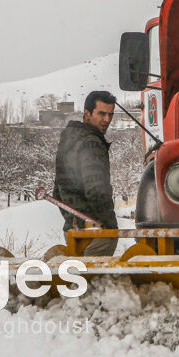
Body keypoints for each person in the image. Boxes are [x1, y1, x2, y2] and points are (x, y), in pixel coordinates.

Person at [52, 90, 120, 255]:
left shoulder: (69, 138)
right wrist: (110, 227)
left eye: (110, 114)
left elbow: (57, 189)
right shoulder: (92, 143)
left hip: (72, 231)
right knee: (93, 279)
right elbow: (97, 191)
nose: (107, 120)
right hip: (96, 232)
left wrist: (72, 220)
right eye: (101, 113)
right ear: (87, 113)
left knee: (78, 277)